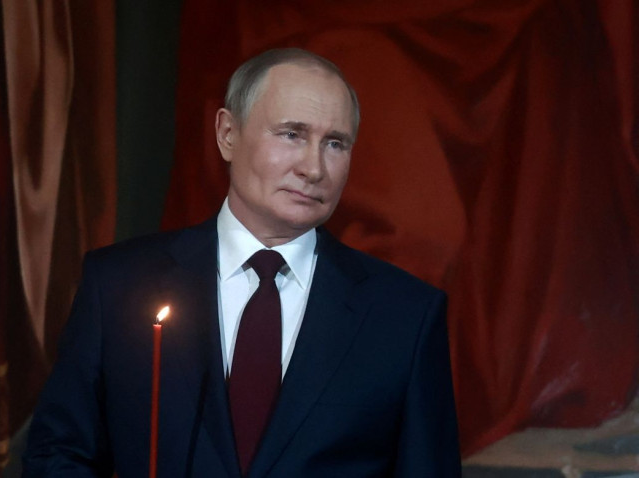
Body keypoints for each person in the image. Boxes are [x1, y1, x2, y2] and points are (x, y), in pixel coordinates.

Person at [23, 48, 461, 477]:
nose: (313, 167)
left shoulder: (405, 316)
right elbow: (59, 454)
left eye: (335, 143)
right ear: (228, 134)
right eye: (292, 134)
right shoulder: (119, 284)